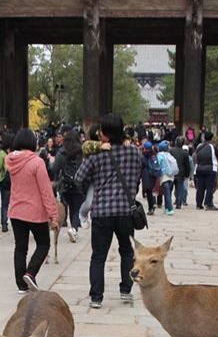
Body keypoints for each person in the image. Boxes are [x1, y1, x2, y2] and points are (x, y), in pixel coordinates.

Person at [73, 112, 141, 309]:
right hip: (125, 211)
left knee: (98, 255)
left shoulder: (97, 155)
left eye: (101, 130)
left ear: (107, 133)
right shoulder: (134, 153)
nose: (99, 134)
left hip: (102, 211)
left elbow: (79, 178)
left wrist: (92, 189)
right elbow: (137, 178)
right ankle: (126, 290)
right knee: (127, 252)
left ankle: (96, 297)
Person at [5, 129, 59, 292]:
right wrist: (54, 215)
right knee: (43, 244)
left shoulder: (10, 160)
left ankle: (21, 285)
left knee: (20, 247)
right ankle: (30, 272)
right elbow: (46, 190)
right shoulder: (37, 162)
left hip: (16, 210)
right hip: (35, 211)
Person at [51, 131, 85, 241]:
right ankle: (74, 229)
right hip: (78, 184)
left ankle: (73, 229)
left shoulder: (61, 151)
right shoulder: (81, 151)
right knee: (77, 209)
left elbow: (55, 168)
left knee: (70, 207)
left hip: (65, 184)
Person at [193, 130, 218, 210]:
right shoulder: (212, 147)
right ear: (211, 138)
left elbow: (195, 156)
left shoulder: (199, 146)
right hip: (211, 169)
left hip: (199, 168)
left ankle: (199, 204)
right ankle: (208, 203)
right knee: (210, 187)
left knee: (200, 187)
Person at [0, 130, 14, 232]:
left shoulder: (2, 153)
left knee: (5, 204)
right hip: (15, 181)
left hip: (5, 181)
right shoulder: (16, 153)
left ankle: (4, 223)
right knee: (15, 203)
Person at [155, 141, 178, 216]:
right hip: (171, 176)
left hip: (164, 175)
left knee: (166, 193)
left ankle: (170, 209)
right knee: (167, 192)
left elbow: (158, 165)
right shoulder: (169, 155)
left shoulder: (159, 155)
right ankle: (166, 208)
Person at [170, 137, 191, 209]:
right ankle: (178, 204)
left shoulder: (171, 151)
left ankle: (168, 202)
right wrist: (187, 174)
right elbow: (187, 165)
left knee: (170, 188)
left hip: (171, 172)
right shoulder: (184, 153)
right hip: (180, 173)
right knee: (179, 189)